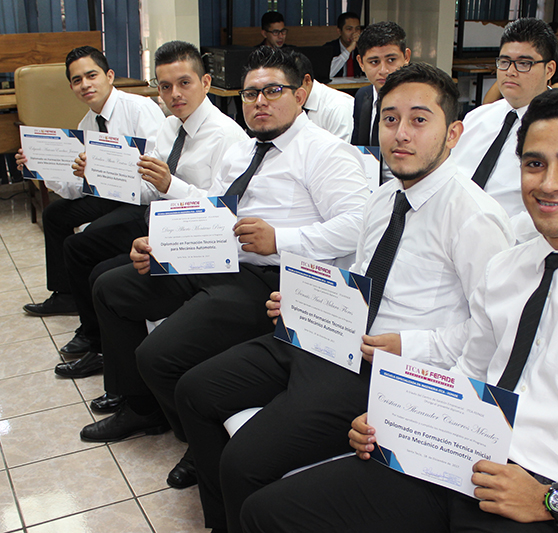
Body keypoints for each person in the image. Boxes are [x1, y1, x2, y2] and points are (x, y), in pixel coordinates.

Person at [238, 86, 558, 533]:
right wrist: (400, 417)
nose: (549, 184)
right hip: (461, 457)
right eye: (534, 164)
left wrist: (556, 500)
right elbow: (470, 371)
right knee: (268, 512)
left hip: (552, 490)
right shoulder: (509, 268)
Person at [174, 62, 514, 533]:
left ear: (453, 132)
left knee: (242, 462)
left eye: (419, 120)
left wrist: (406, 345)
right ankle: (221, 521)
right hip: (328, 337)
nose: (400, 134)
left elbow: (492, 333)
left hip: (379, 368)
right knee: (194, 390)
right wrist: (305, 298)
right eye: (390, 119)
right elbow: (359, 278)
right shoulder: (384, 196)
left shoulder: (473, 217)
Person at [78, 47, 370, 489]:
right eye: (251, 93)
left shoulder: (325, 153)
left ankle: (202, 445)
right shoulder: (243, 149)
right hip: (217, 257)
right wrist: (160, 242)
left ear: (303, 90)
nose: (259, 102)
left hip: (269, 278)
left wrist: (281, 240)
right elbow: (212, 210)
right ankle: (142, 408)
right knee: (113, 287)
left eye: (273, 90)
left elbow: (357, 226)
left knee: (156, 356)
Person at [51, 41, 248, 389]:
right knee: (91, 262)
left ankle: (130, 392)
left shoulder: (227, 136)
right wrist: (97, 173)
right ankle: (118, 375)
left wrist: (170, 184)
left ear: (205, 82)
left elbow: (222, 214)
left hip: (196, 242)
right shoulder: (169, 127)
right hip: (159, 225)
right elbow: (145, 191)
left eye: (184, 83)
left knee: (105, 280)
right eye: (165, 86)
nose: (175, 94)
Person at [18, 46, 164, 320]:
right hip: (109, 196)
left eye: (91, 75)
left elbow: (156, 172)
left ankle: (92, 314)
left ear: (109, 76)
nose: (85, 85)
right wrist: (42, 168)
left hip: (142, 198)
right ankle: (66, 294)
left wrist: (104, 169)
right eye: (76, 80)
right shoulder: (86, 124)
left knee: (90, 235)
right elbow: (77, 188)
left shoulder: (139, 109)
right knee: (55, 214)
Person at [452, 18, 556, 242]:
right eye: (505, 61)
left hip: (511, 242)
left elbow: (551, 204)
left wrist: (489, 234)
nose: (511, 71)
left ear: (549, 69)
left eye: (524, 63)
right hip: (450, 233)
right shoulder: (478, 117)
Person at [350, 21, 411, 146]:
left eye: (391, 60)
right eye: (374, 62)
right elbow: (358, 150)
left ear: (406, 57)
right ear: (361, 63)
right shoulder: (362, 96)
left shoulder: (419, 101)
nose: (383, 70)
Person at [289, 51, 354, 142]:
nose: (284, 94)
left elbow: (341, 153)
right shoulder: (286, 105)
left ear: (307, 80)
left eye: (289, 87)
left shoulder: (338, 107)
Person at [325, 11, 363, 79]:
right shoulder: (329, 48)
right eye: (349, 29)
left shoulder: (363, 49)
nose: (354, 33)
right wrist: (349, 49)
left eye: (357, 29)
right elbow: (327, 74)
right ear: (339, 31)